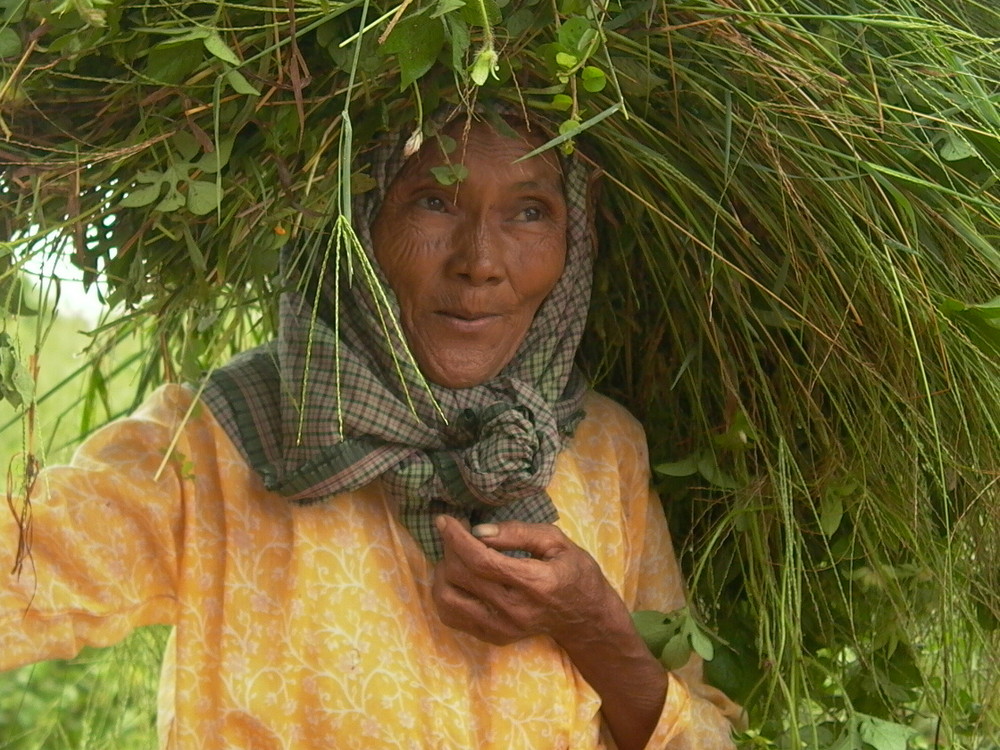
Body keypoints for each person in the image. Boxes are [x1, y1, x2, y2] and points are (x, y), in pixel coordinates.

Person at [1, 108, 743, 749]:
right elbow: (24, 576)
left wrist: (593, 626)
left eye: (529, 211)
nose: (480, 262)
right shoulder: (224, 441)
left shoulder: (601, 447)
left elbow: (705, 735)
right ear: (357, 224)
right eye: (432, 202)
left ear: (573, 238)